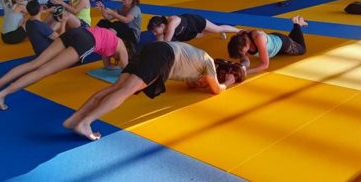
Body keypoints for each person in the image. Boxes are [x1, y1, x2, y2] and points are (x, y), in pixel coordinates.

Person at [62, 41, 237, 140]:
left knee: (115, 88)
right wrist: (227, 83)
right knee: (124, 92)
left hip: (154, 48)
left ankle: (75, 119)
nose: (202, 83)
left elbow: (192, 84)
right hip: (163, 56)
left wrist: (201, 83)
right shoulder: (209, 63)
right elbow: (215, 90)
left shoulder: (197, 57)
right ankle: (86, 123)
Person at [0, 26, 130, 110]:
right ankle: (2, 94)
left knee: (35, 63)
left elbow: (107, 64)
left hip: (77, 32)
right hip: (86, 41)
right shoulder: (122, 49)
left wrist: (112, 65)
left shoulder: (112, 41)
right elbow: (126, 70)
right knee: (44, 71)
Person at [227, 16, 308, 74]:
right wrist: (241, 68)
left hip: (282, 43)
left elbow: (265, 64)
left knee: (302, 49)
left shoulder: (258, 38)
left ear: (245, 45)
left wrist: (247, 72)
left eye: (243, 52)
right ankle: (295, 29)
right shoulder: (240, 41)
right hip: (272, 40)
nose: (244, 54)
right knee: (293, 41)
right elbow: (245, 60)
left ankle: (297, 23)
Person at [147, 14, 240, 42]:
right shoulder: (161, 31)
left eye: (155, 31)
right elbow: (159, 43)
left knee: (217, 29)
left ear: (162, 25)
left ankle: (239, 30)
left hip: (194, 21)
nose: (154, 33)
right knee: (202, 34)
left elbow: (166, 42)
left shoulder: (172, 22)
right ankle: (215, 31)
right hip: (186, 33)